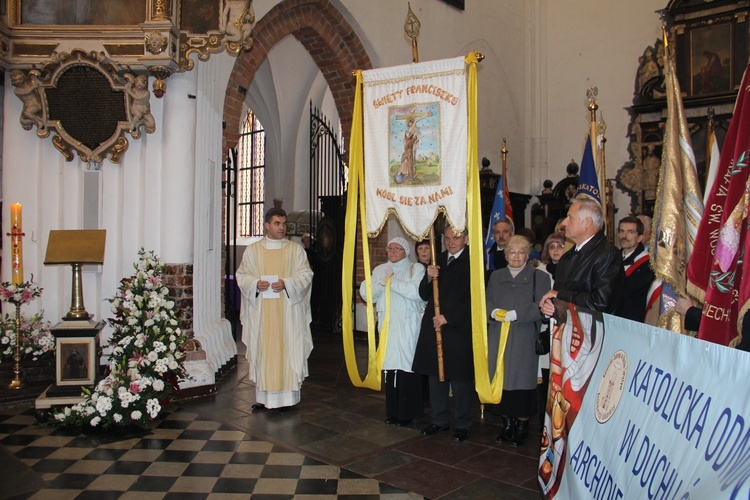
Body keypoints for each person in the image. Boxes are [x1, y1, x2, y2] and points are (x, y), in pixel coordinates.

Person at [236, 207, 314, 411]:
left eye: (284, 224)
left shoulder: (295, 250)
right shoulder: (253, 250)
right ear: (267, 225)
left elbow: (306, 275)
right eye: (277, 223)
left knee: (287, 350)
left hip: (288, 311)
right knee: (265, 350)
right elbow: (242, 275)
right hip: (262, 311)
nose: (282, 228)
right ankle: (264, 398)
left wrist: (287, 283)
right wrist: (255, 284)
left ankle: (287, 399)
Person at [486, 235, 551, 446]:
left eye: (521, 252)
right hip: (499, 336)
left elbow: (542, 305)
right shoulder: (496, 276)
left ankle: (522, 426)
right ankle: (507, 425)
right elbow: (486, 301)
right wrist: (493, 312)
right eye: (512, 252)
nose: (516, 256)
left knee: (522, 382)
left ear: (527, 255)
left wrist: (517, 314)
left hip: (524, 335)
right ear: (505, 255)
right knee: (502, 379)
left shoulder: (539, 277)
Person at [412, 225, 474, 442]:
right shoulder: (438, 258)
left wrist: (449, 317)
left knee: (459, 378)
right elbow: (424, 293)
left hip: (458, 327)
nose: (451, 242)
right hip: (434, 325)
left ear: (466, 239)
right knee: (434, 375)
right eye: (447, 238)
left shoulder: (473, 261)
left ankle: (463, 423)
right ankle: (439, 420)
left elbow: (474, 299)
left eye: (456, 238)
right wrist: (429, 277)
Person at [360, 237, 425, 426]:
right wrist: (382, 283)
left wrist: (391, 282)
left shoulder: (416, 269)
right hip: (388, 324)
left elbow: (416, 292)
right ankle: (392, 411)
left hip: (408, 324)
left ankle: (407, 413)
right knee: (390, 368)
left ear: (406, 252)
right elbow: (366, 293)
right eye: (390, 249)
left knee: (406, 367)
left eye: (397, 249)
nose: (393, 252)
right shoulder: (381, 269)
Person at [540, 198, 624, 316]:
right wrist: (549, 308)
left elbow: (602, 302)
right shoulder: (566, 258)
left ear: (587, 223)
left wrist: (561, 296)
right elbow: (557, 296)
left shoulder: (608, 254)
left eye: (571, 218)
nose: (564, 222)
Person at [536, 232, 566, 424]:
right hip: (545, 329)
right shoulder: (539, 271)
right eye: (552, 246)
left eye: (560, 246)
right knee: (546, 378)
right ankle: (543, 422)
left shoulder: (573, 270)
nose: (556, 250)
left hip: (565, 330)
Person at [615, 216, 654, 322]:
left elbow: (630, 289)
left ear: (640, 237)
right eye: (621, 231)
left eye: (630, 232)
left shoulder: (647, 263)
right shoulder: (613, 258)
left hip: (633, 321)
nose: (624, 236)